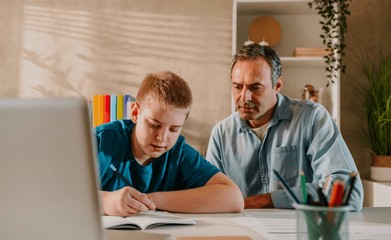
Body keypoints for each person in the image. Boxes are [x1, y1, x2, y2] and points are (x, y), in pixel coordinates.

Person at [205, 43, 363, 211]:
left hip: (301, 231)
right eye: (237, 87)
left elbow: (348, 192)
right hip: (242, 234)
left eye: (255, 87)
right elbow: (210, 196)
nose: (244, 97)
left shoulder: (312, 118)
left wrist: (264, 201)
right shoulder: (221, 134)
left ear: (278, 85)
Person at [95, 71, 244, 216]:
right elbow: (70, 193)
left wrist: (150, 200)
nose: (162, 137)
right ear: (135, 113)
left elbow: (234, 198)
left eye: (174, 129)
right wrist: (106, 201)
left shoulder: (179, 152)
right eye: (154, 125)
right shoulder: (99, 142)